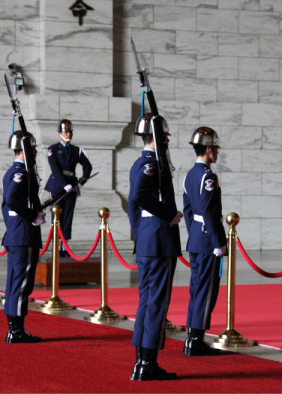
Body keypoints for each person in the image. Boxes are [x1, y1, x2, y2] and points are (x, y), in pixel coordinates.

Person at [128, 113, 183, 381]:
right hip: (159, 241)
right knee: (156, 303)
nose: (169, 139)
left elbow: (133, 205)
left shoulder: (141, 163)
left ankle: (142, 361)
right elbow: (139, 197)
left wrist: (139, 232)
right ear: (159, 137)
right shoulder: (151, 165)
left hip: (148, 240)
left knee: (147, 302)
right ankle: (147, 363)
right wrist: (168, 215)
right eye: (166, 134)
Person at [182, 127, 227, 356]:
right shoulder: (208, 176)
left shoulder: (189, 175)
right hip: (209, 240)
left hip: (196, 239)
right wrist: (219, 242)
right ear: (209, 150)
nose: (217, 153)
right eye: (215, 149)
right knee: (207, 291)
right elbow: (209, 213)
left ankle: (192, 337)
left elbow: (188, 210)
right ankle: (196, 340)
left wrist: (196, 232)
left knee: (196, 289)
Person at [2, 131, 45, 343]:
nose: (36, 151)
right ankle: (16, 331)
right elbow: (11, 200)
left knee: (15, 284)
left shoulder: (12, 171)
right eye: (34, 148)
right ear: (26, 150)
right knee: (22, 285)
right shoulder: (21, 173)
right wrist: (32, 216)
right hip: (24, 235)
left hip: (16, 234)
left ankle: (14, 329)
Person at [44, 119, 92, 256]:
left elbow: (88, 166)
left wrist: (82, 181)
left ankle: (64, 246)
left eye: (70, 131)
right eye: (66, 131)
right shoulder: (52, 149)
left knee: (68, 216)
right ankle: (55, 246)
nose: (69, 134)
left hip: (72, 186)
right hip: (57, 186)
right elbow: (55, 169)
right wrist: (64, 184)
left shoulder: (77, 150)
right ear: (59, 133)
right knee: (56, 217)